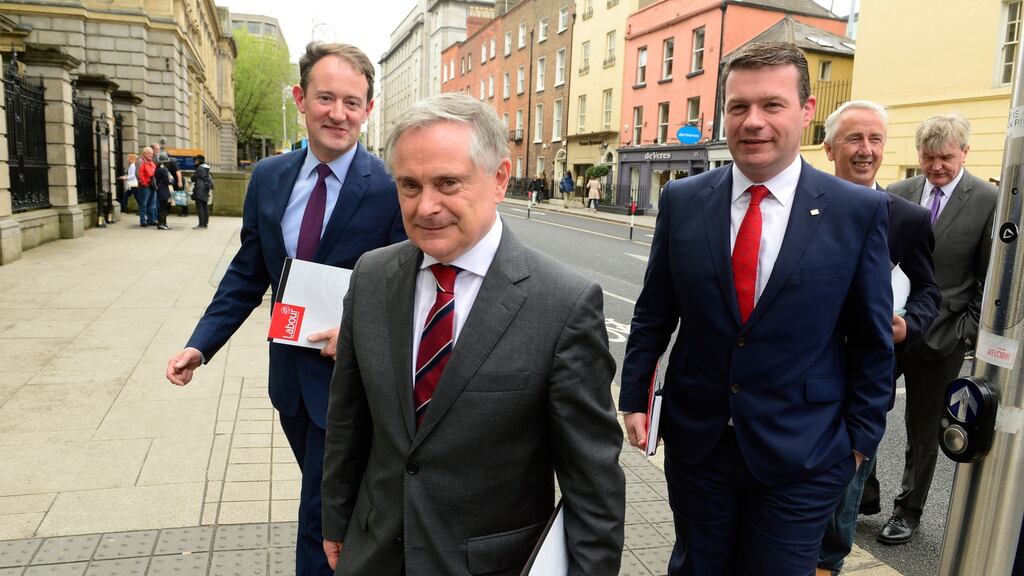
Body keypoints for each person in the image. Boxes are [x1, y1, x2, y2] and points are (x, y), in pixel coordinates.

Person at [320, 92, 625, 575]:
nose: (426, 206)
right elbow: (348, 423)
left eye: (448, 183)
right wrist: (335, 522)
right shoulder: (372, 276)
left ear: (500, 178)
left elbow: (593, 483)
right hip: (373, 552)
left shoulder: (563, 303)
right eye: (409, 185)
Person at [619, 41, 894, 575]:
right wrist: (635, 397)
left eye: (772, 105)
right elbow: (655, 312)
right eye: (738, 106)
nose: (753, 122)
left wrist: (857, 444)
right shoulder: (683, 200)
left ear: (806, 112)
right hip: (699, 445)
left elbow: (871, 341)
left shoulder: (857, 211)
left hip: (805, 453)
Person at [165, 42, 406, 576]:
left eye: (352, 102)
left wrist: (361, 331)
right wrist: (200, 344)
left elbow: (410, 282)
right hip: (290, 381)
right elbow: (249, 271)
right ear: (301, 98)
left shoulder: (391, 189)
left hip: (351, 381)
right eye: (325, 98)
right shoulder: (270, 177)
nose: (338, 114)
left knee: (321, 515)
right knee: (331, 500)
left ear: (368, 108)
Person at [816, 100, 941, 575]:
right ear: (829, 148)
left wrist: (910, 325)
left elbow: (930, 290)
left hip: (864, 386)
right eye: (854, 139)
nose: (866, 150)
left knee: (842, 499)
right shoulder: (799, 207)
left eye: (875, 140)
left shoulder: (906, 218)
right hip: (796, 379)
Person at [874, 113, 998, 546]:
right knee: (864, 410)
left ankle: (907, 510)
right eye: (928, 158)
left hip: (943, 334)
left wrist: (967, 330)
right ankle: (865, 491)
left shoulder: (986, 199)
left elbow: (989, 276)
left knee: (923, 429)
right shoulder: (898, 192)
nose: (936, 167)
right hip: (889, 328)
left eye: (945, 157)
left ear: (965, 153)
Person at [153, 142, 187, 217]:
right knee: (168, 196)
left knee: (180, 195)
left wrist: (180, 181)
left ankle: (185, 211)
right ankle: (167, 211)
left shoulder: (173, 161)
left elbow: (178, 172)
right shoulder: (164, 163)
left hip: (178, 180)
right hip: (170, 181)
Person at [190, 154, 213, 229]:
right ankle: (205, 224)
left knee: (200, 208)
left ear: (199, 161)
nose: (194, 162)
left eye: (196, 160)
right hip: (205, 190)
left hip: (199, 190)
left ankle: (201, 224)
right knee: (205, 207)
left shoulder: (199, 169)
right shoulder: (206, 168)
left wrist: (192, 176)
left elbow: (193, 178)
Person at [153, 152, 174, 230]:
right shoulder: (164, 169)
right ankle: (161, 223)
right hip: (164, 190)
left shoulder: (157, 168)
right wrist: (172, 181)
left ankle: (163, 223)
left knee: (162, 208)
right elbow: (168, 181)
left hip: (160, 190)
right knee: (163, 208)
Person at [135, 147, 156, 227]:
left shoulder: (151, 162)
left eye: (152, 153)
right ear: (145, 153)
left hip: (151, 186)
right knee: (143, 204)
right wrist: (143, 183)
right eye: (150, 153)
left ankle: (151, 220)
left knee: (151, 204)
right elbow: (138, 174)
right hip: (144, 186)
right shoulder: (140, 161)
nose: (152, 155)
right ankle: (143, 220)